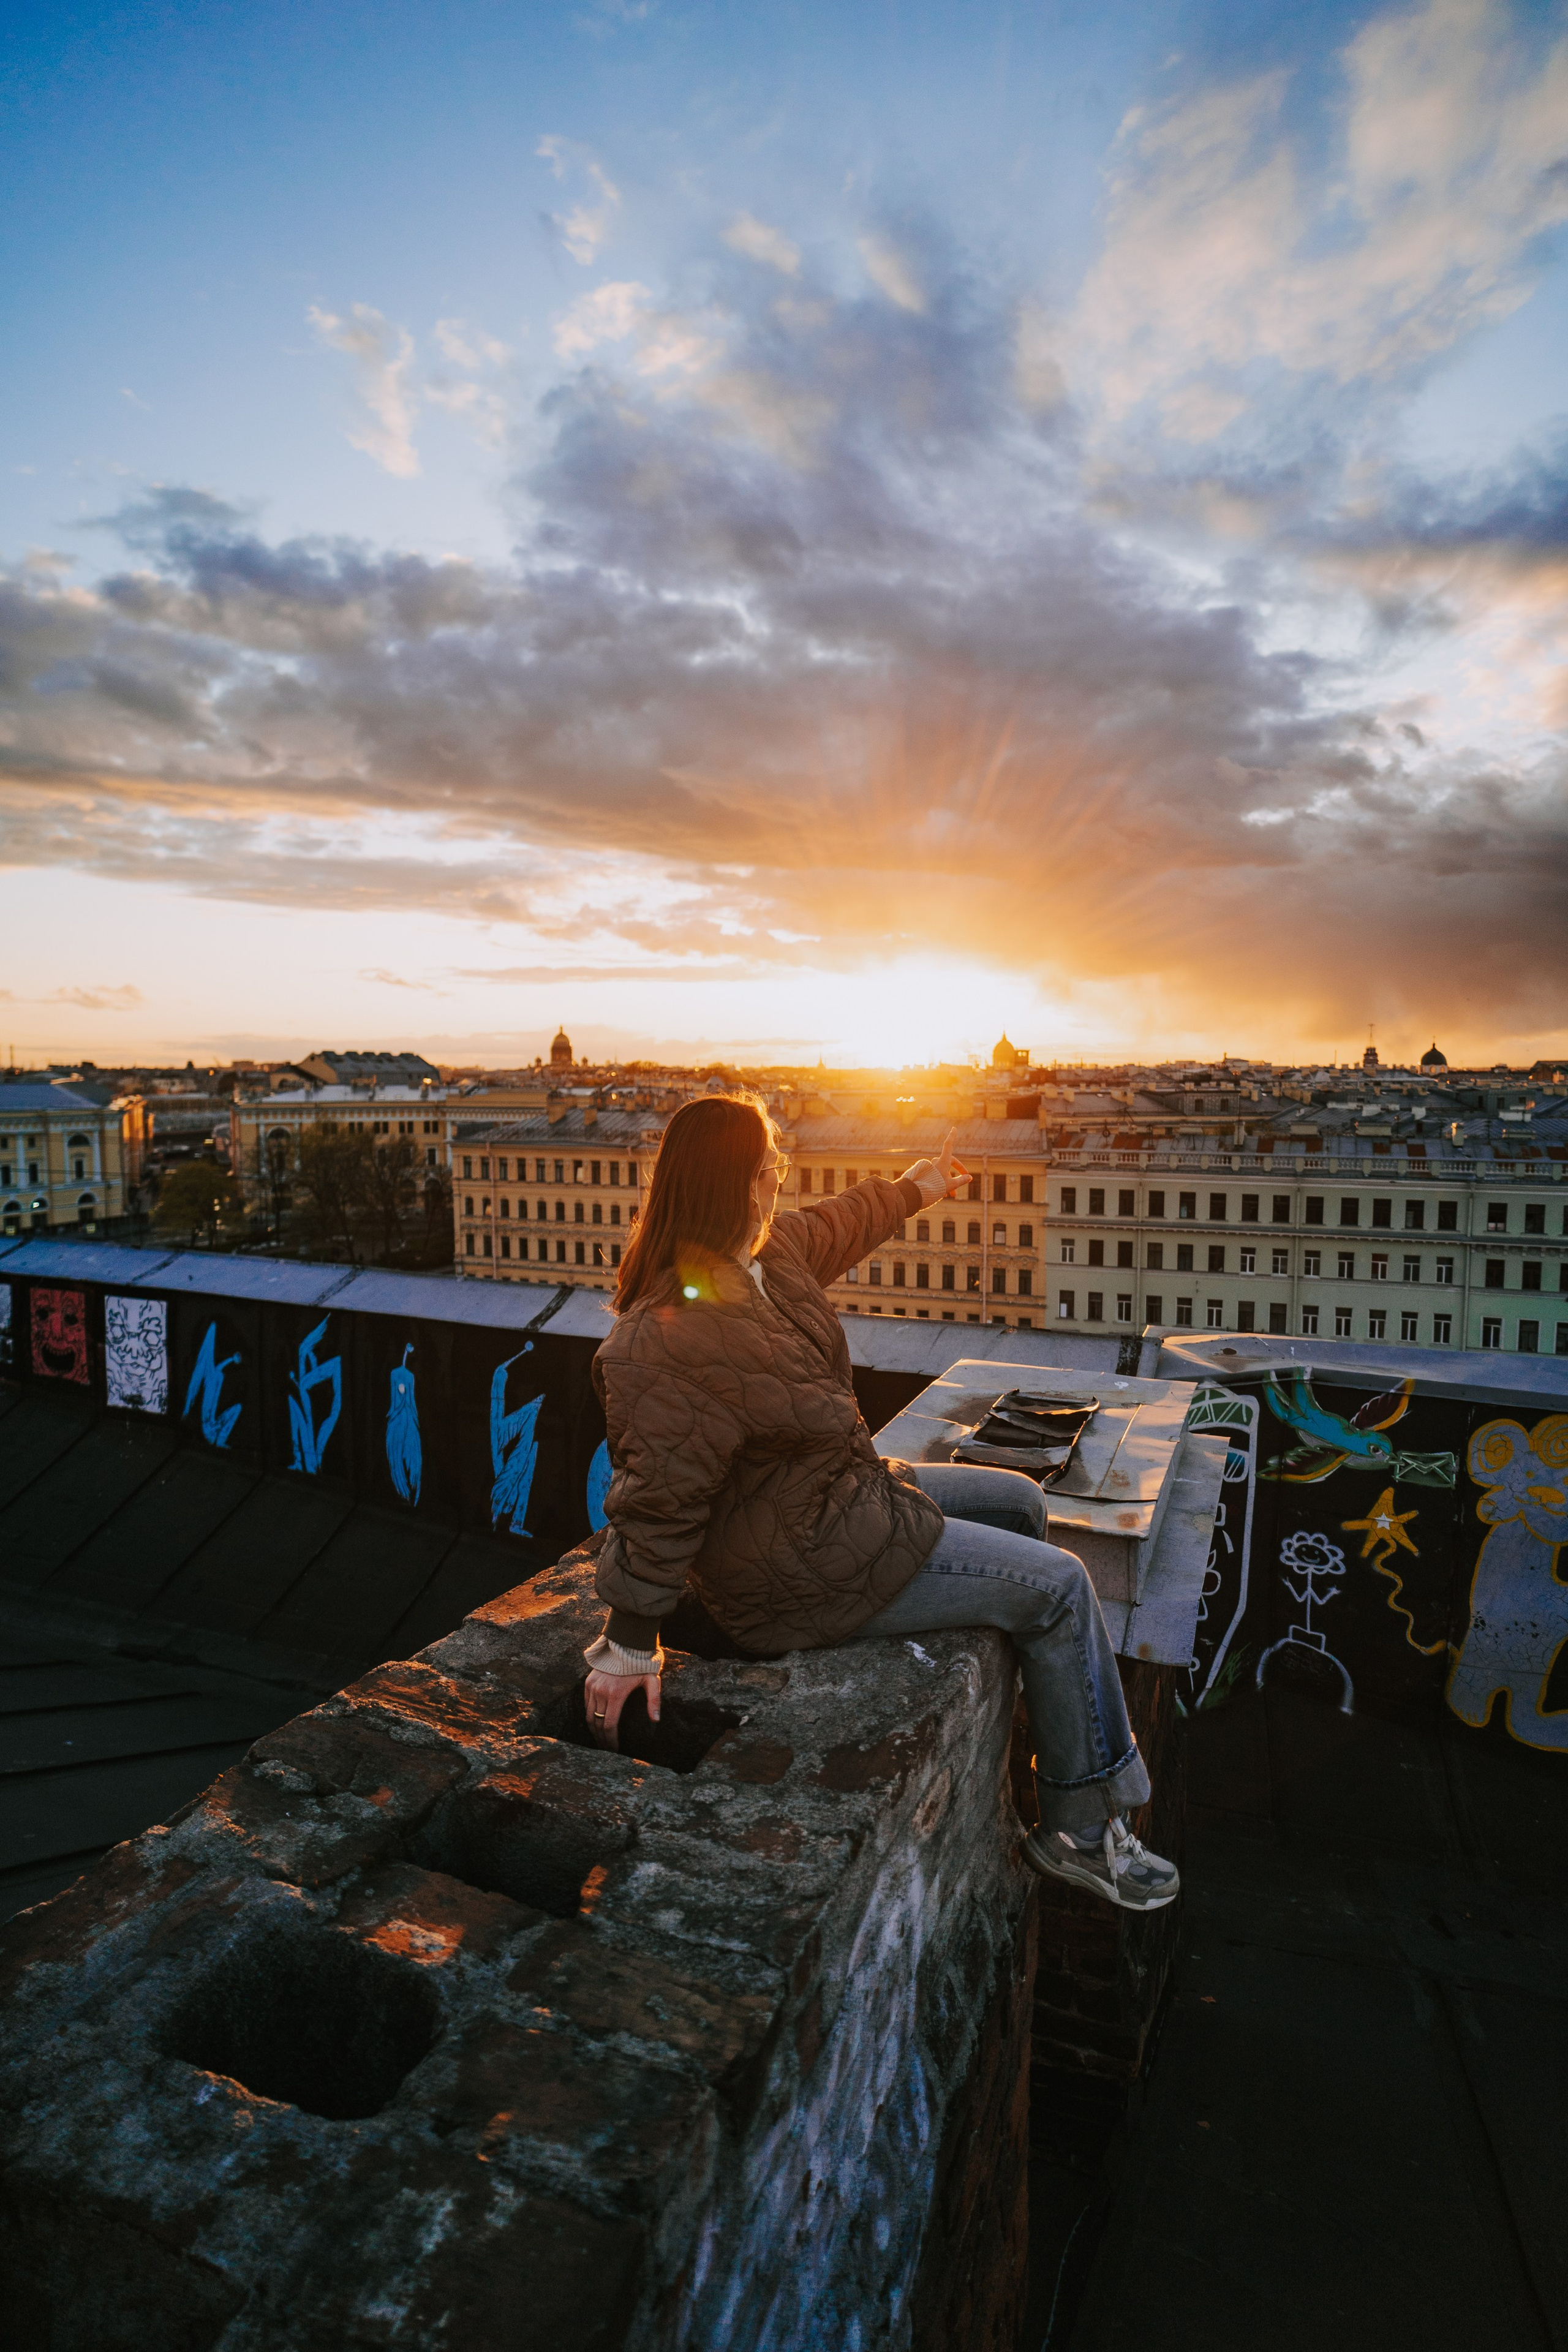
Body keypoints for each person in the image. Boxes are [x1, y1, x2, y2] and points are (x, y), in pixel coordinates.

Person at [582, 1092, 1177, 1912]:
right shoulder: (663, 1336)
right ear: (734, 1187)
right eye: (768, 1172)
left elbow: (843, 1222)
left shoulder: (765, 1260)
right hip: (802, 1572)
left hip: (844, 1502)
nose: (780, 1187)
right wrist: (626, 1643)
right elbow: (657, 1500)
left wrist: (921, 1183)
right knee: (1061, 1585)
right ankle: (1080, 1829)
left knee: (1018, 1506)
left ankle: (1047, 1735)